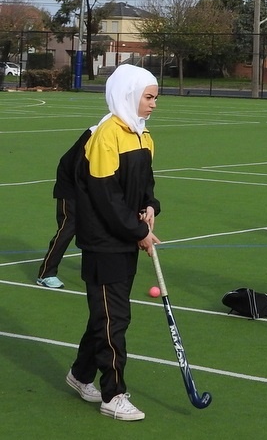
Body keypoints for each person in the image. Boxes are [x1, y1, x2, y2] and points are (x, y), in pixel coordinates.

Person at [66, 64, 161, 421]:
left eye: (154, 98)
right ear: (127, 95)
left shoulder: (142, 135)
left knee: (105, 317)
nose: (153, 104)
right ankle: (114, 394)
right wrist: (138, 233)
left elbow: (144, 186)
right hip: (103, 242)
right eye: (148, 97)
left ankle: (79, 374)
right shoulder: (106, 135)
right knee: (114, 319)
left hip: (125, 239)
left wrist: (150, 208)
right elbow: (106, 197)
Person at [36, 116, 112, 288]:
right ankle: (45, 273)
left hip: (89, 187)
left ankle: (95, 268)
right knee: (68, 227)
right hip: (70, 187)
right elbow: (79, 169)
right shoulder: (94, 135)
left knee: (95, 227)